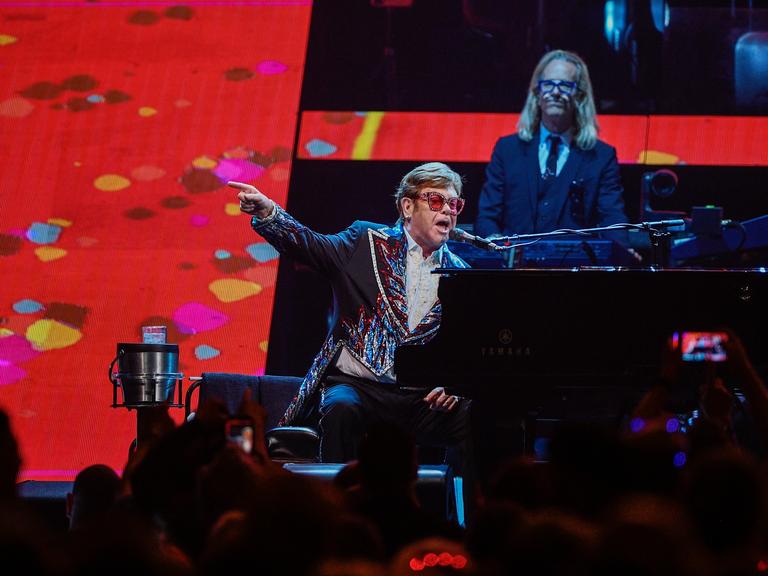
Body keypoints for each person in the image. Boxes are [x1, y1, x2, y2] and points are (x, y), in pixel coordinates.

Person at [229, 162, 471, 463]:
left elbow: (466, 348)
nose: (447, 210)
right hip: (359, 388)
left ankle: (468, 508)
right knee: (341, 408)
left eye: (454, 203)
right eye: (436, 201)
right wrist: (269, 214)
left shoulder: (461, 274)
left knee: (473, 416)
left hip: (419, 398)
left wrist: (458, 387)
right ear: (407, 206)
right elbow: (311, 246)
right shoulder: (364, 241)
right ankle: (340, 505)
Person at [475, 49, 629, 240]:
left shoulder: (601, 157)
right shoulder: (507, 150)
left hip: (573, 267)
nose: (555, 92)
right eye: (548, 84)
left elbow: (612, 219)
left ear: (579, 96)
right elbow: (487, 217)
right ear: (537, 93)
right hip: (515, 266)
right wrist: (498, 249)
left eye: (565, 85)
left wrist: (623, 254)